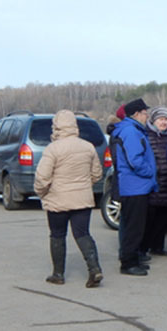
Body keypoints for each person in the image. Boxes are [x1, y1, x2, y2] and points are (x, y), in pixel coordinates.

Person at [34, 110, 104, 287]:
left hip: (57, 199)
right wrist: (85, 185)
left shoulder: (53, 149)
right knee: (83, 233)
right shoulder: (88, 147)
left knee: (57, 235)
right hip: (82, 199)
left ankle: (58, 274)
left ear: (56, 126)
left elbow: (42, 177)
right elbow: (97, 174)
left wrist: (41, 193)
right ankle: (94, 269)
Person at [112, 98, 157, 276]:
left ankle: (133, 259)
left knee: (137, 226)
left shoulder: (134, 130)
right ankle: (128, 263)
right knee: (133, 228)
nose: (147, 116)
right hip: (134, 186)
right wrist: (149, 172)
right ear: (136, 114)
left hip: (138, 186)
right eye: (145, 113)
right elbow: (134, 159)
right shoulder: (131, 131)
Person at [141, 106, 167, 258]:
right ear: (154, 121)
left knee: (163, 218)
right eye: (161, 119)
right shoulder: (146, 136)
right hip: (152, 183)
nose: (164, 122)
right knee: (148, 219)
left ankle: (158, 246)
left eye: (166, 119)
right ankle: (144, 247)